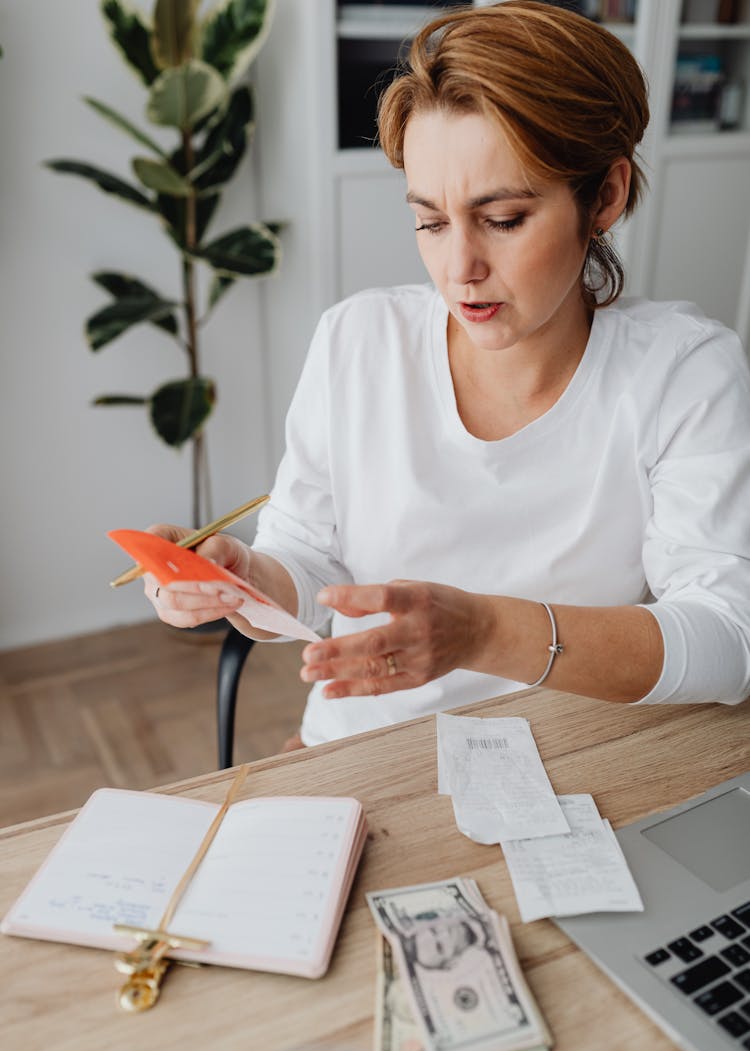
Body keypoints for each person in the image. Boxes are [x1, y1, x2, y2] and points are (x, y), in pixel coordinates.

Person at [146, 1, 750, 749]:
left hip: (568, 760)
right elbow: (306, 560)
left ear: (607, 196)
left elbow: (729, 638)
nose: (458, 269)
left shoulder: (684, 372)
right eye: (431, 222)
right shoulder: (356, 342)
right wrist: (246, 580)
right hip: (366, 751)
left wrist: (486, 631)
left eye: (502, 219)